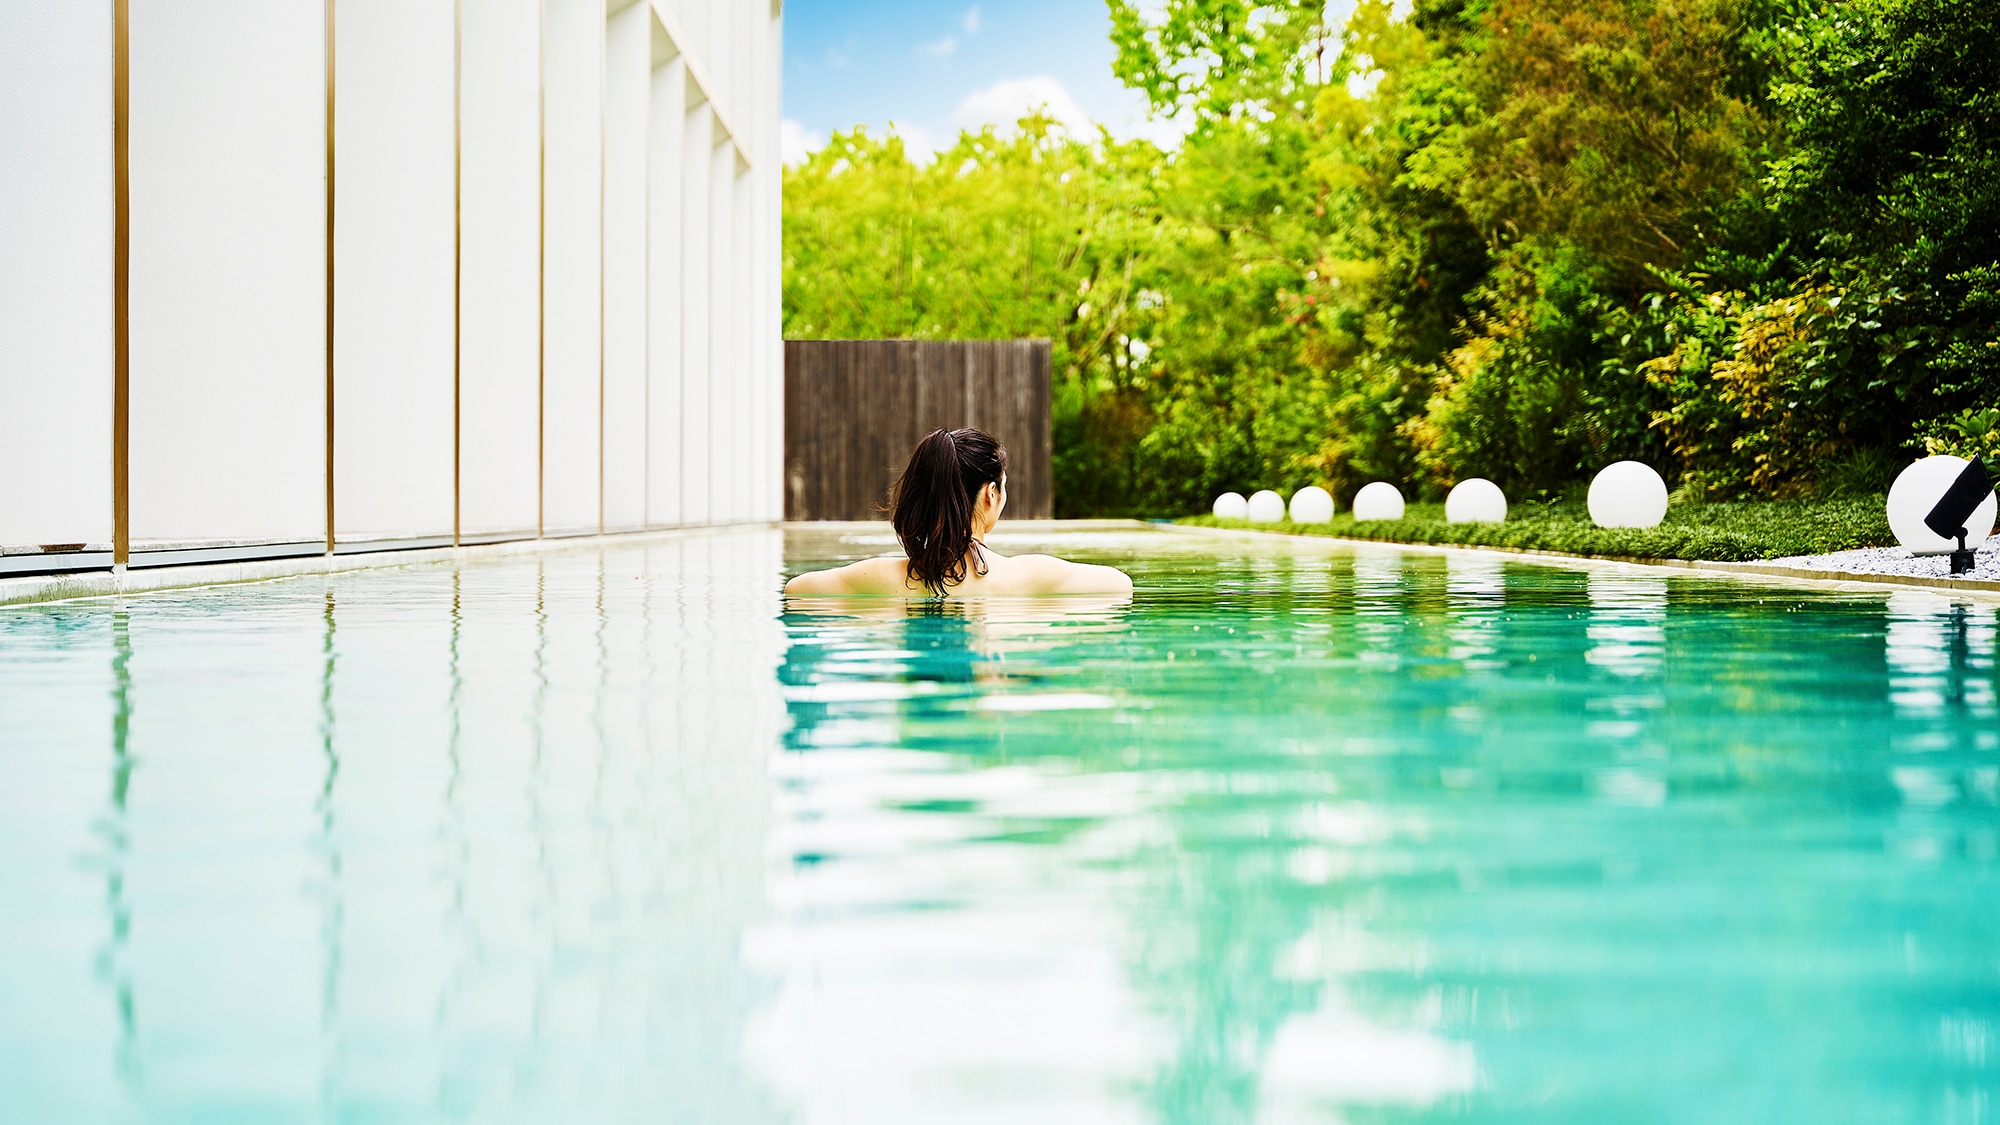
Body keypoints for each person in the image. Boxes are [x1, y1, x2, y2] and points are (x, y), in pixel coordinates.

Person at [784, 428, 1133, 597]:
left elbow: (795, 591)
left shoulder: (877, 578)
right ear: (989, 494)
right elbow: (1121, 586)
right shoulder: (1033, 575)